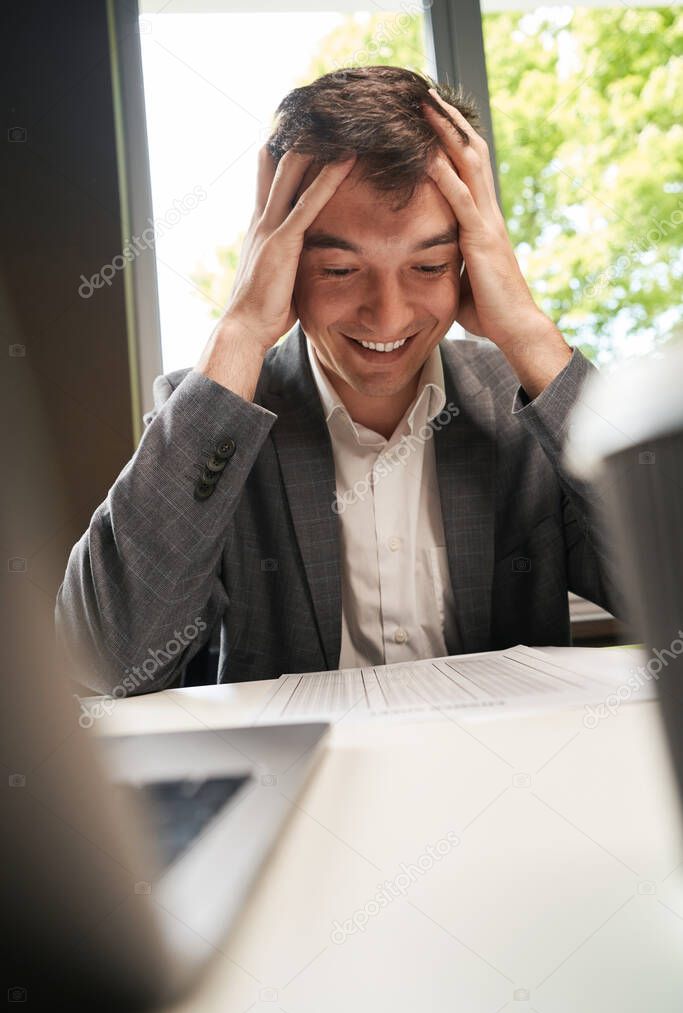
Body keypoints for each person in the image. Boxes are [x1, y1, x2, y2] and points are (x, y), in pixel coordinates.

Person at [55, 66, 623, 698]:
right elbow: (104, 663)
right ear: (284, 262)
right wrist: (240, 328)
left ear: (469, 261)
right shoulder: (214, 421)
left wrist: (528, 332)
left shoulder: (527, 408)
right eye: (340, 270)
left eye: (428, 264)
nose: (388, 315)